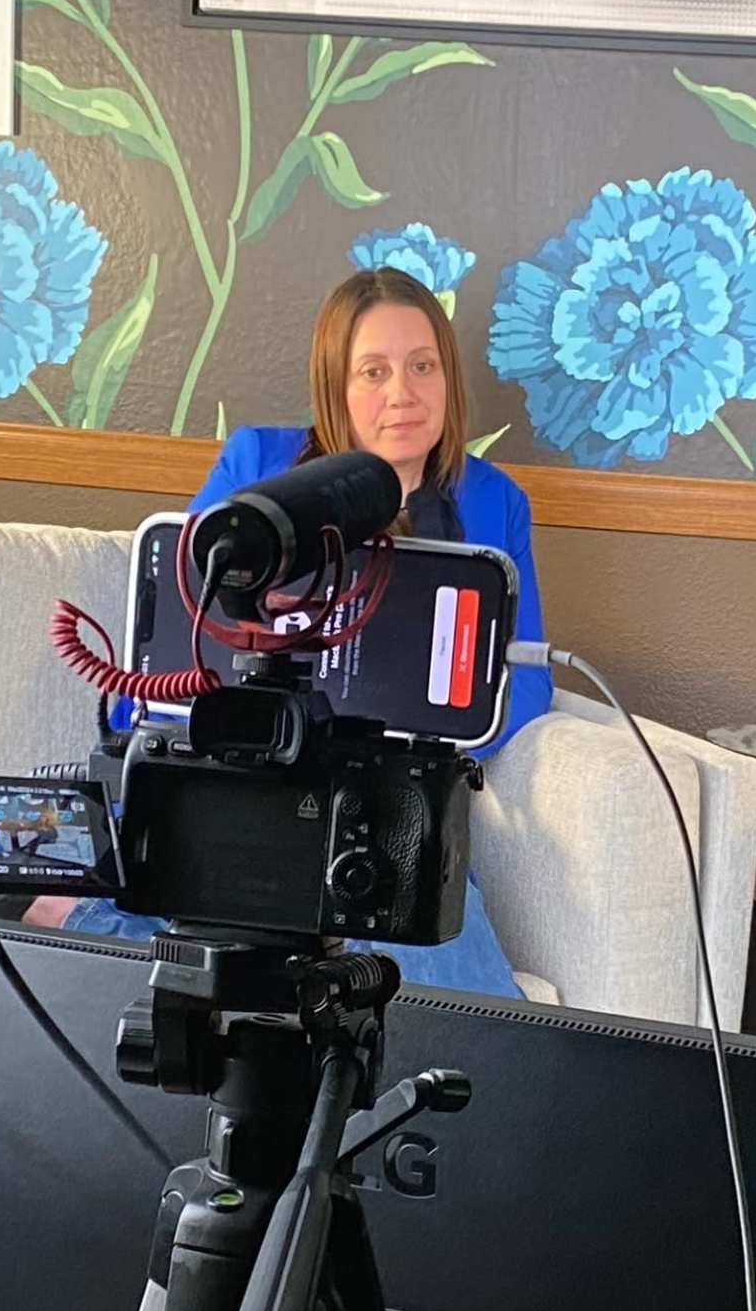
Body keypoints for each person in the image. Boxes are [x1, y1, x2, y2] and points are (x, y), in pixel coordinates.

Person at [53, 267, 545, 998]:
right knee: (97, 967)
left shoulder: (492, 499)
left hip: (385, 817)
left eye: (422, 366)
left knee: (471, 1011)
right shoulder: (260, 465)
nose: (402, 394)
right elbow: (170, 641)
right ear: (336, 389)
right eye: (372, 372)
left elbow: (525, 686)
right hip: (236, 793)